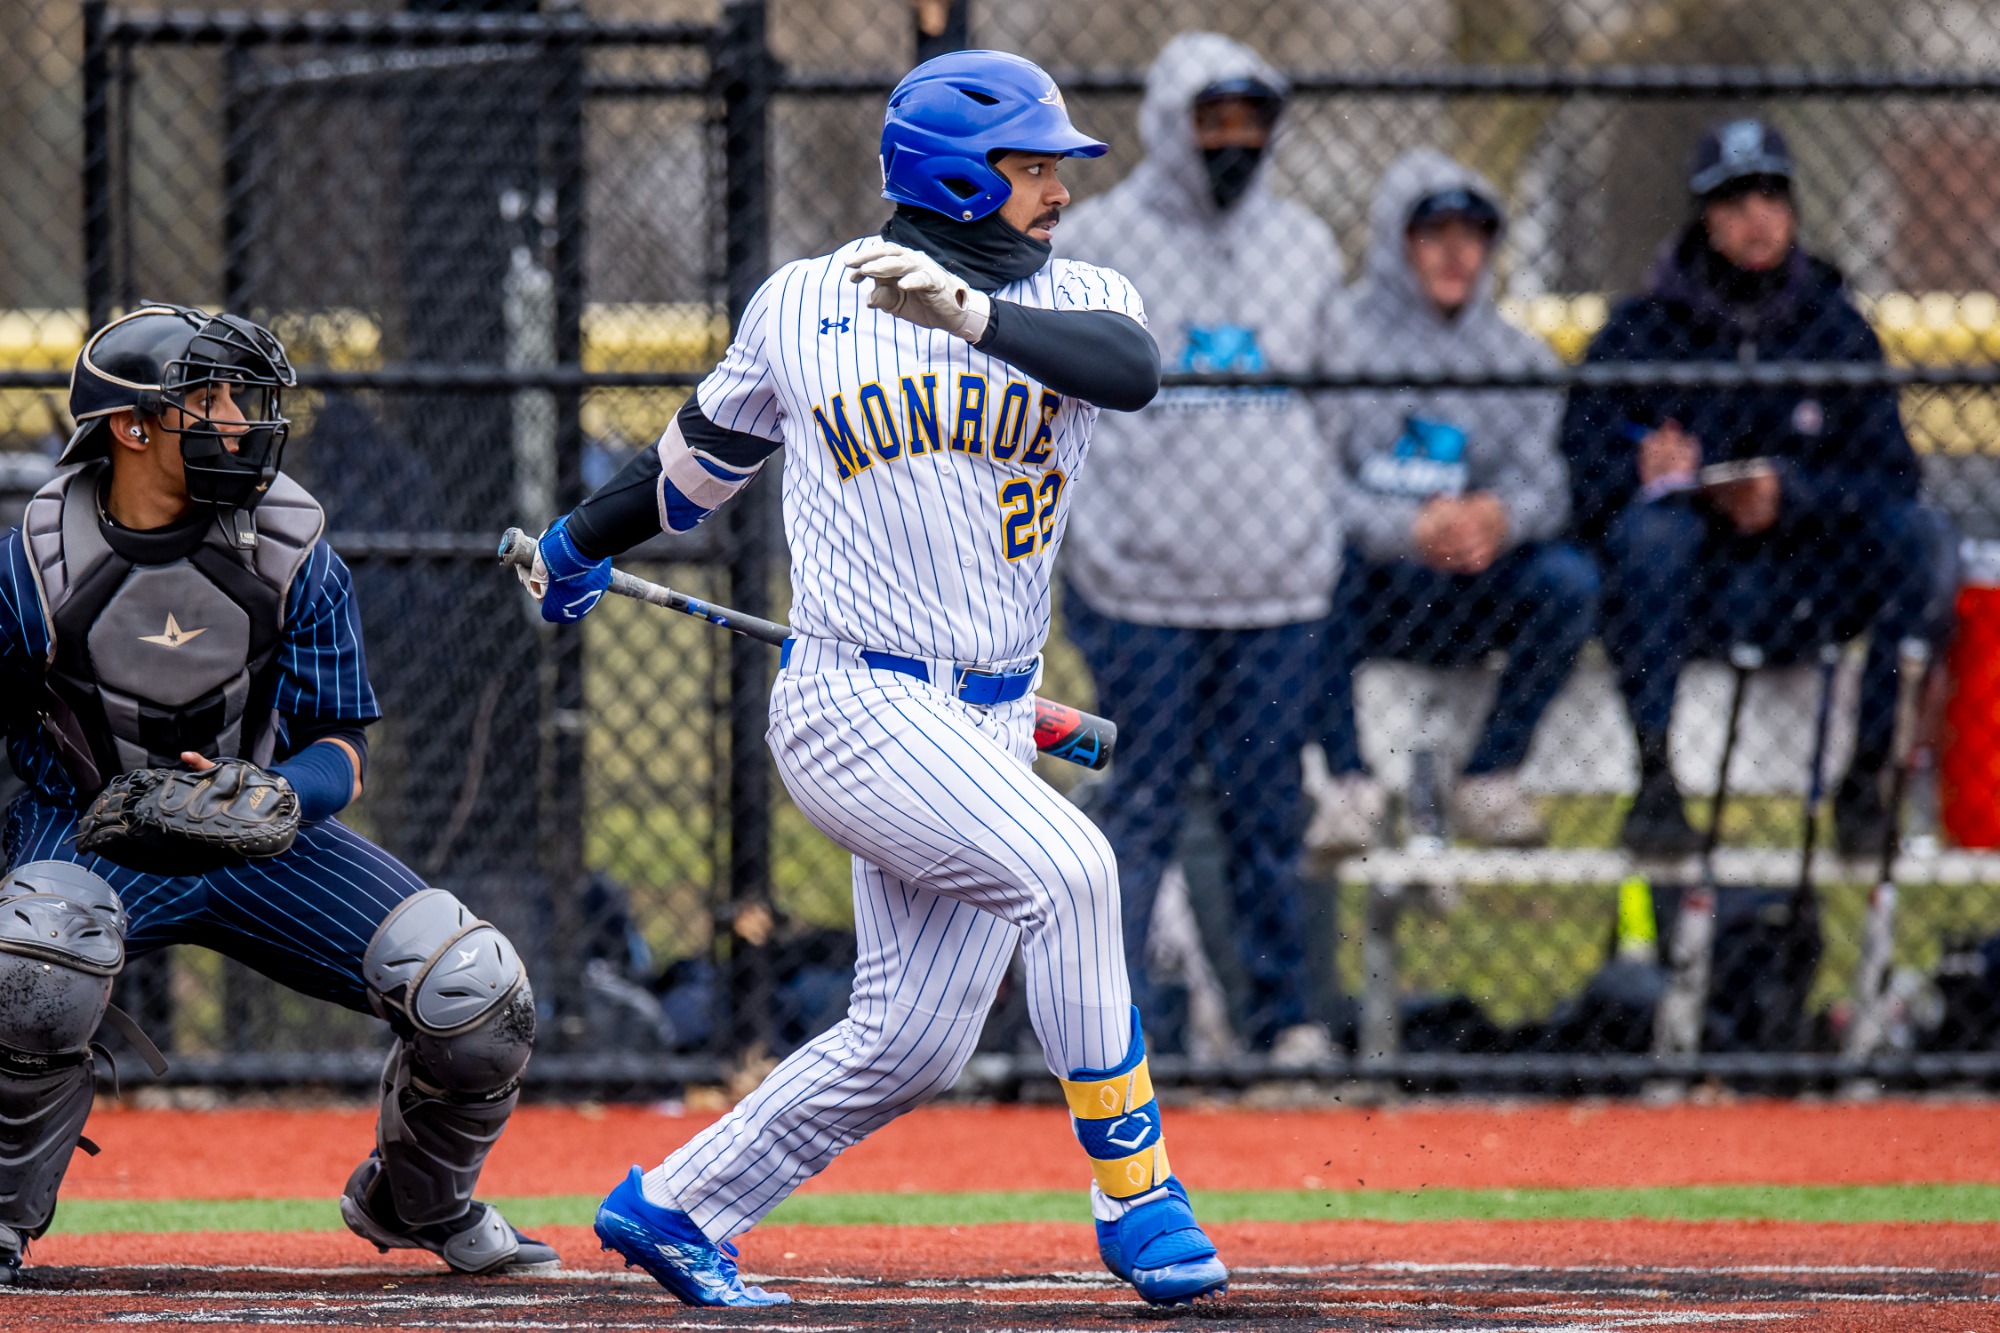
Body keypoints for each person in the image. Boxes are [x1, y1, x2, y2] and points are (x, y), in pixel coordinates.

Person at [523, 53, 1225, 1308]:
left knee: (910, 1042)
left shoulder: (1081, 293)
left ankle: (675, 1203)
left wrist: (968, 315)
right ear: (952, 173)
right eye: (1030, 166)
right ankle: (1137, 1194)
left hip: (993, 716)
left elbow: (1130, 369)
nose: (1057, 187)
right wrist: (580, 541)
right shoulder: (804, 301)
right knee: (1073, 870)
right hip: (853, 704)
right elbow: (691, 473)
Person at [0, 305, 553, 1281]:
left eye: (243, 399)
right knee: (35, 955)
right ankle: (4, 1213)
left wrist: (275, 795)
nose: (239, 422)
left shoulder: (291, 545)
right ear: (130, 428)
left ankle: (415, 1196)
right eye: (206, 401)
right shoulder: (33, 560)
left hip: (266, 844)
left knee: (479, 992)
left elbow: (341, 748)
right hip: (91, 829)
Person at [1053, 32, 1342, 1063]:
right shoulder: (1096, 240)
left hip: (1276, 587)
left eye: (1249, 122)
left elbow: (1331, 406)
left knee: (1269, 814)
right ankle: (1112, 1029)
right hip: (1140, 585)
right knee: (1140, 810)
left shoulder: (1303, 244)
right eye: (1210, 121)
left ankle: (1285, 1023)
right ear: (1170, 125)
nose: (1233, 141)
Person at [1561, 119, 1948, 856]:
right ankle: (1656, 781)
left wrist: (1792, 494)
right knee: (1650, 535)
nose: (1756, 219)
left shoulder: (1836, 330)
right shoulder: (1640, 331)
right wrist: (1644, 473)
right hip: (1692, 591)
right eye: (1734, 202)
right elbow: (1577, 468)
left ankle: (1867, 781)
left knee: (1921, 540)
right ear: (1705, 217)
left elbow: (1894, 477)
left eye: (1771, 197)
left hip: (1809, 582)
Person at [1308, 150, 1596, 851]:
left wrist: (1496, 518)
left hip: (1471, 584)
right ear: (1395, 241)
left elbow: (1547, 486)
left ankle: (1491, 776)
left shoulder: (1518, 358)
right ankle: (1350, 785)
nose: (1454, 253)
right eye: (1433, 234)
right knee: (1312, 560)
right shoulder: (1338, 337)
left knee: (1568, 581)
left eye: (1472, 235)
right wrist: (1407, 526)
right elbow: (1310, 481)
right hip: (1375, 586)